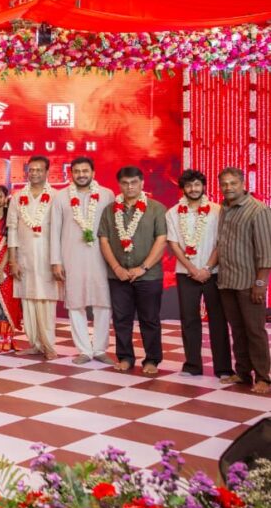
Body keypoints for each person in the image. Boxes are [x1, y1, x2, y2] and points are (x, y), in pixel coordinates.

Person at [98, 166, 167, 375]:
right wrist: (116, 267)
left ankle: (152, 360)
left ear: (142, 183)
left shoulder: (156, 208)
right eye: (125, 183)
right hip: (118, 276)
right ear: (119, 185)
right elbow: (104, 240)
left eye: (134, 182)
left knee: (150, 319)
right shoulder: (109, 210)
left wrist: (143, 268)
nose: (130, 187)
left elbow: (162, 240)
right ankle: (125, 357)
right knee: (121, 319)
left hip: (149, 275)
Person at [166, 169, 231, 378]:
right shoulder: (173, 213)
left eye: (197, 184)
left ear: (203, 186)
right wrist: (192, 269)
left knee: (218, 320)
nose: (193, 189)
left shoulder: (217, 210)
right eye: (189, 185)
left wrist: (207, 268)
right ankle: (192, 365)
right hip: (185, 273)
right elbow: (174, 244)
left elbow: (221, 242)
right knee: (189, 319)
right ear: (183, 188)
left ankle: (223, 368)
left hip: (214, 273)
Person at [50, 157, 114, 365]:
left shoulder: (107, 194)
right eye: (77, 171)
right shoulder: (61, 197)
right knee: (75, 303)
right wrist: (56, 261)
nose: (81, 175)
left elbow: (114, 228)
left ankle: (100, 349)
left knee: (103, 303)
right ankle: (84, 350)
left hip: (101, 257)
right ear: (71, 174)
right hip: (71, 256)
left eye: (85, 171)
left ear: (93, 173)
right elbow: (55, 230)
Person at [216, 167, 271, 393]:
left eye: (233, 183)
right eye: (224, 184)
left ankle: (263, 377)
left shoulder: (258, 210)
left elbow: (266, 252)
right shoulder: (224, 208)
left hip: (249, 283)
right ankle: (242, 372)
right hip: (227, 281)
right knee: (237, 330)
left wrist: (260, 283)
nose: (228, 187)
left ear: (243, 184)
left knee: (255, 331)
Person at [7, 155, 60, 359]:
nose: (35, 173)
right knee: (28, 301)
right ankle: (35, 344)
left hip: (48, 257)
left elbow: (60, 230)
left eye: (39, 170)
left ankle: (49, 345)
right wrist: (13, 260)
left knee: (46, 301)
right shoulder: (17, 197)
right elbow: (12, 229)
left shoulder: (56, 196)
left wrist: (58, 260)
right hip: (24, 257)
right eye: (31, 170)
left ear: (47, 172)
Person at [0, 185, 20, 352]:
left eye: (0, 196)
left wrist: (0, 266)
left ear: (6, 199)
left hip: (4, 265)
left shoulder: (9, 218)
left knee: (3, 301)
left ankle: (3, 340)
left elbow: (11, 243)